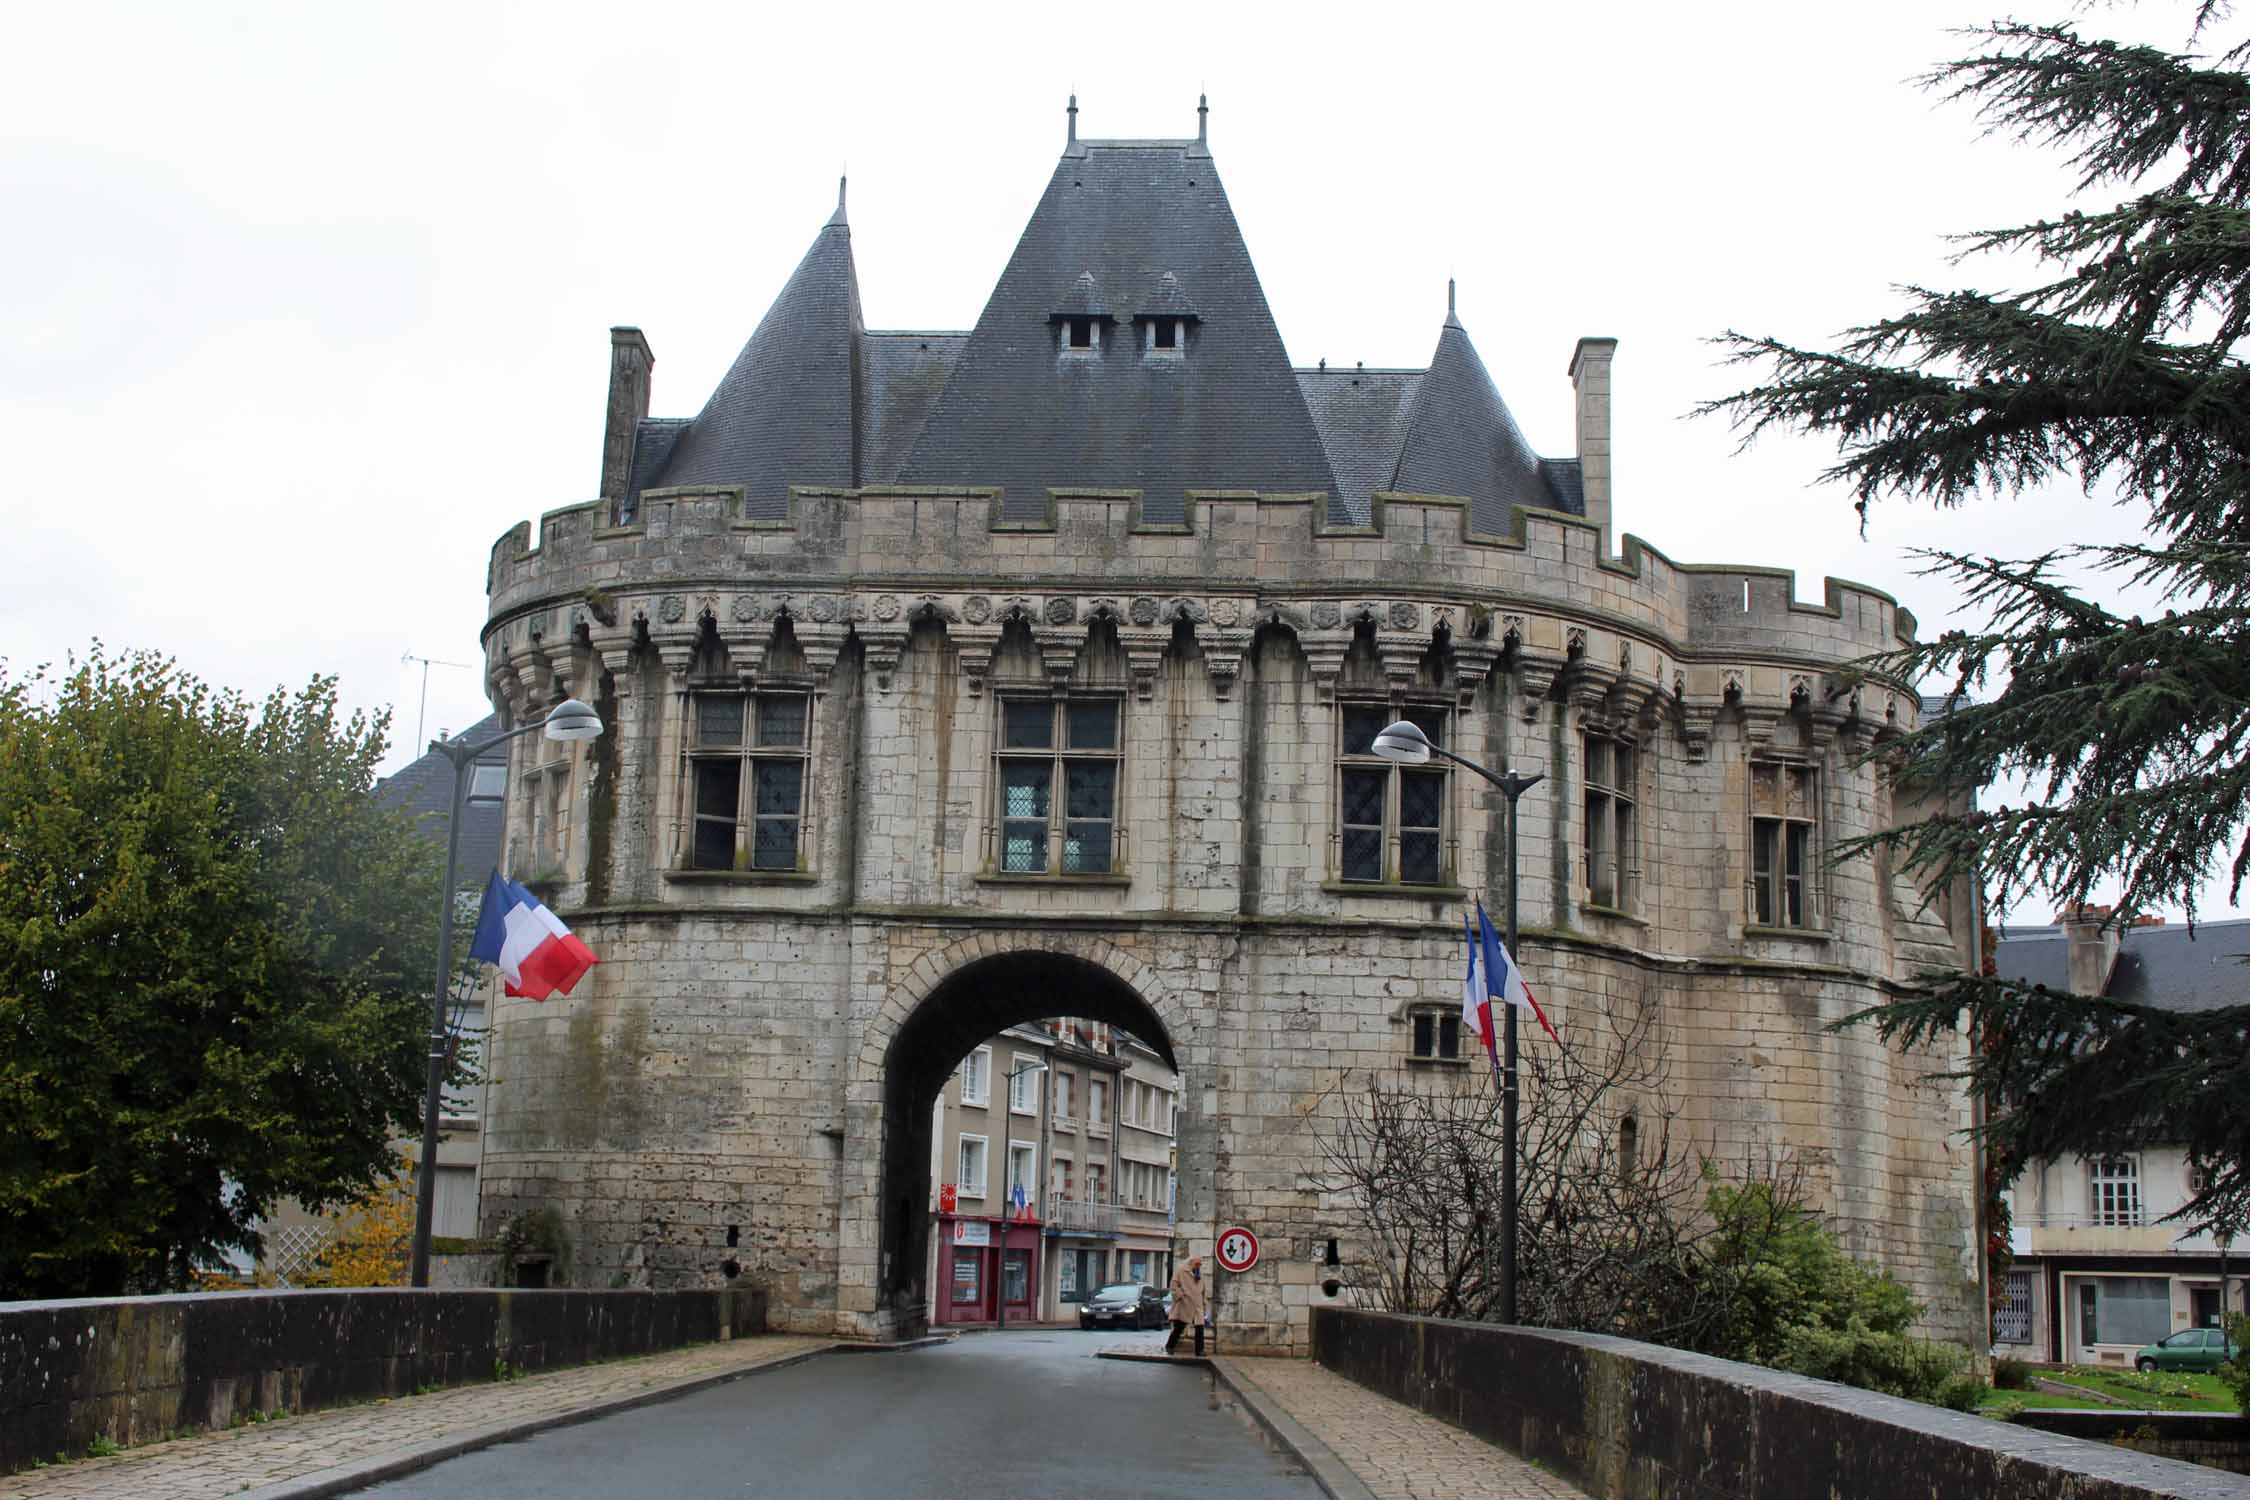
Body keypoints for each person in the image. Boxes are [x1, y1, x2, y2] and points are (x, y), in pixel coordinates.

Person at [1165, 1255, 1208, 1356]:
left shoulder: (1200, 1274)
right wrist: (1181, 1295)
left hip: (1197, 1304)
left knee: (1200, 1328)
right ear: (1191, 1263)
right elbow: (1174, 1285)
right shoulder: (1181, 1270)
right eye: (1197, 1264)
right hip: (1185, 1303)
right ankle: (1170, 1346)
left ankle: (1199, 1350)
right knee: (1180, 1326)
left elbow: (1203, 1288)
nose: (1199, 1266)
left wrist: (1204, 1302)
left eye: (1200, 1264)